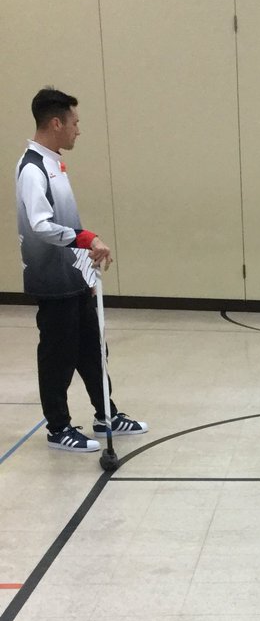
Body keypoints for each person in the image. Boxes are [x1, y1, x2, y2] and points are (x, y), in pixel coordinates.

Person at [15, 87, 147, 453]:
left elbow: (64, 222)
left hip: (73, 277)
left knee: (92, 349)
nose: (78, 130)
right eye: (74, 122)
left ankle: (106, 414)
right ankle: (59, 428)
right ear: (56, 123)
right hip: (51, 282)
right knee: (58, 355)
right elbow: (41, 225)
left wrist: (84, 272)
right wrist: (88, 238)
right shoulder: (33, 168)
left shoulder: (54, 163)